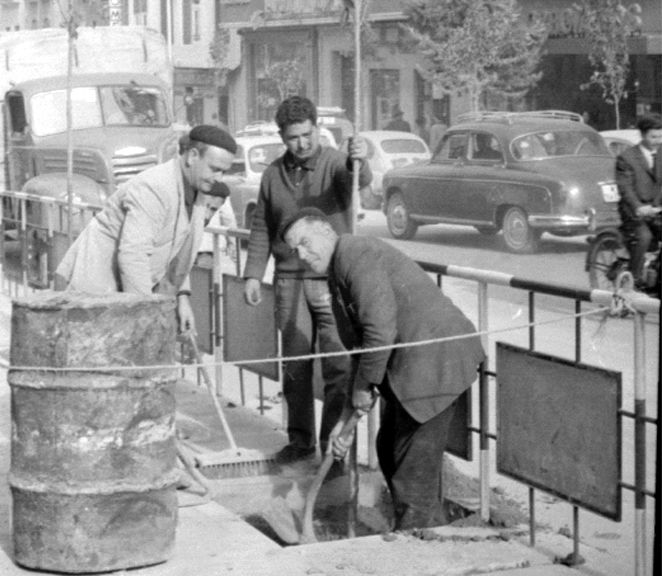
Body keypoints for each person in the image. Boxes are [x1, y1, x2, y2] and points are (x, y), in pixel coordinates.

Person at [282, 208, 486, 531]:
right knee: (387, 449)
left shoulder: (354, 253)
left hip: (436, 362)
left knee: (410, 470)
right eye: (295, 251)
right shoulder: (337, 273)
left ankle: (416, 542)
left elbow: (379, 330)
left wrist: (363, 388)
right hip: (416, 365)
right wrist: (344, 422)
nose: (302, 255)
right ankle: (424, 527)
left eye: (305, 243)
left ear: (324, 229)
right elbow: (360, 349)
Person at [243, 95, 373, 465]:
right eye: (292, 138)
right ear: (282, 137)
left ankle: (333, 449)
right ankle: (300, 443)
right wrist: (254, 274)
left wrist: (358, 159)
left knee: (338, 367)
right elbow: (261, 228)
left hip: (332, 282)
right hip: (289, 282)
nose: (301, 144)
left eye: (306, 135)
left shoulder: (335, 162)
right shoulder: (272, 174)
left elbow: (356, 178)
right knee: (296, 366)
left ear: (317, 128)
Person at [56, 125, 237, 335]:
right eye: (215, 169)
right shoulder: (155, 187)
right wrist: (145, 317)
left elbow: (177, 250)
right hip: (96, 289)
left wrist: (182, 298)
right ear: (192, 156)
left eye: (224, 171)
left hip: (126, 292)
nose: (219, 178)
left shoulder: (198, 190)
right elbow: (134, 255)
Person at [616, 113, 662, 290]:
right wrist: (638, 207)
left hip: (657, 209)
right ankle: (633, 282)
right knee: (644, 237)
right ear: (642, 135)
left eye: (661, 136)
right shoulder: (627, 158)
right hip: (634, 212)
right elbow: (625, 188)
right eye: (653, 137)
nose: (657, 141)